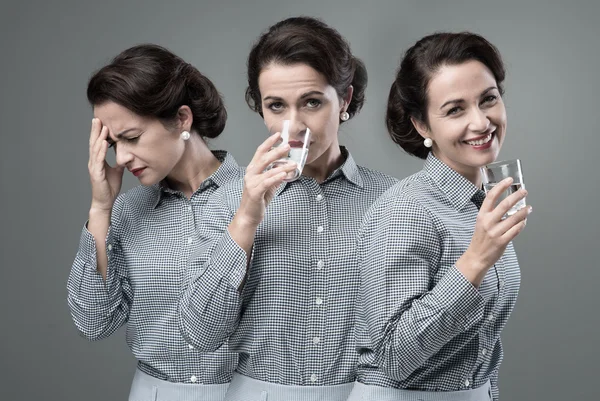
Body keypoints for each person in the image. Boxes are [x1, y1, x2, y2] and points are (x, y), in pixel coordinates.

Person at [178, 16, 398, 401]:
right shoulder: (227, 198)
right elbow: (200, 332)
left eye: (312, 102)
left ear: (344, 100)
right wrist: (246, 217)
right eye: (276, 106)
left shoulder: (394, 201)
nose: (293, 125)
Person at [349, 32, 532, 401]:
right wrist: (476, 259)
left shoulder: (483, 204)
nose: (481, 122)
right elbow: (394, 357)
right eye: (455, 109)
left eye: (488, 99)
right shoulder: (406, 210)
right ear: (421, 125)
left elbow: (481, 349)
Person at [67, 44, 242, 401]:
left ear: (182, 119)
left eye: (131, 137)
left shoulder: (264, 198)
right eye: (114, 144)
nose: (124, 157)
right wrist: (101, 209)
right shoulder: (126, 211)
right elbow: (93, 323)